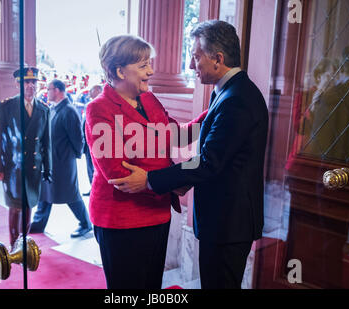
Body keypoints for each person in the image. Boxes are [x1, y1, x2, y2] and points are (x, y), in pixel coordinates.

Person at [109, 21, 269, 289]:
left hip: (229, 223)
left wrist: (150, 179)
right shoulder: (229, 91)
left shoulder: (237, 98)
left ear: (218, 59)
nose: (192, 65)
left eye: (196, 56)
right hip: (223, 218)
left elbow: (209, 162)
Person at [85, 35, 206, 289]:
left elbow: (177, 134)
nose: (151, 71)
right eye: (143, 66)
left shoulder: (148, 99)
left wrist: (213, 113)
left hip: (158, 214)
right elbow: (119, 174)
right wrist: (172, 181)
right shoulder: (99, 109)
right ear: (119, 70)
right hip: (121, 220)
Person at [0, 67, 51, 248]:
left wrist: (48, 168)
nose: (31, 86)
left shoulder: (43, 109)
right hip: (13, 166)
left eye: (34, 82)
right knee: (15, 206)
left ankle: (24, 244)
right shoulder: (5, 107)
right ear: (19, 84)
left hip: (34, 166)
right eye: (26, 82)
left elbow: (46, 142)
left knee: (29, 205)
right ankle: (13, 245)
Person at [30, 79, 92, 238]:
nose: (47, 92)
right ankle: (38, 223)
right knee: (45, 191)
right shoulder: (54, 109)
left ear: (57, 90)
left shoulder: (69, 111)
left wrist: (74, 156)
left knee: (70, 194)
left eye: (49, 89)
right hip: (51, 160)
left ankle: (85, 223)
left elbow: (78, 139)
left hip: (63, 161)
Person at [81, 84, 103, 196]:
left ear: (99, 91)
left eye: (92, 91)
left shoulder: (102, 106)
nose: (89, 93)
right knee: (89, 169)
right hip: (88, 146)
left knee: (96, 169)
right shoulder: (90, 105)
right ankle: (93, 189)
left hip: (97, 146)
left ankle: (96, 190)